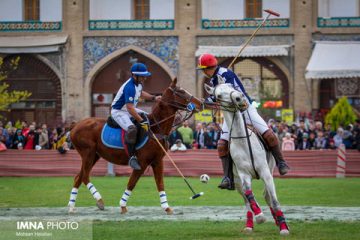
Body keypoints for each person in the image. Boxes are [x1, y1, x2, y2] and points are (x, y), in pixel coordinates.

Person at [197, 53, 290, 190]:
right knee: (222, 144)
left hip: (246, 109)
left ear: (208, 68)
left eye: (203, 69)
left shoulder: (225, 74)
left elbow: (226, 94)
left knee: (268, 133)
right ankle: (228, 177)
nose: (203, 72)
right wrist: (203, 102)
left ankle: (281, 162)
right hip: (230, 113)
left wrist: (205, 101)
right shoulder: (213, 80)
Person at [111, 63, 161, 170]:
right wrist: (141, 121)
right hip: (119, 111)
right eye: (142, 76)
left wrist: (154, 98)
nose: (144, 78)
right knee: (132, 128)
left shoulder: (138, 83)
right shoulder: (129, 87)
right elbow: (129, 108)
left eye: (144, 75)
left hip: (129, 109)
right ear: (134, 75)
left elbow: (141, 93)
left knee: (150, 118)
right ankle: (132, 156)